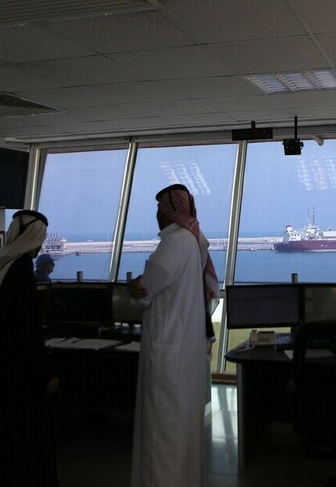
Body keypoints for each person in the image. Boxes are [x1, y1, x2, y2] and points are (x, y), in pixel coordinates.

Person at [128, 184, 218, 487]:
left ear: (167, 211)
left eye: (159, 208)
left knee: (162, 433)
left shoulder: (175, 243)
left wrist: (133, 286)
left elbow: (144, 291)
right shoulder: (193, 242)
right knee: (182, 431)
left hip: (168, 352)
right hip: (185, 348)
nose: (157, 214)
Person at [0, 210, 59, 487]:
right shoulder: (22, 273)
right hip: (22, 374)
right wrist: (46, 374)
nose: (41, 245)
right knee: (27, 440)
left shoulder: (3, 266)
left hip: (2, 366)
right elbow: (28, 332)